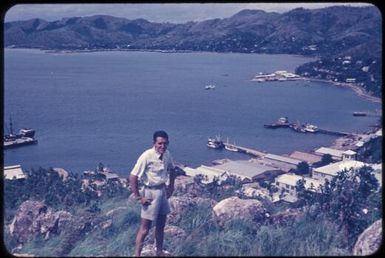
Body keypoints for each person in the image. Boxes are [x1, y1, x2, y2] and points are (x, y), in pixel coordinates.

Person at [129, 130, 175, 257]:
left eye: (165, 144)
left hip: (162, 192)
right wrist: (139, 197)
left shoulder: (167, 154)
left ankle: (159, 252)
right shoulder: (146, 156)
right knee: (145, 228)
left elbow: (172, 169)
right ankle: (137, 255)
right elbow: (133, 177)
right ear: (154, 143)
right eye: (160, 143)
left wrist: (171, 186)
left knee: (161, 225)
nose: (162, 146)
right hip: (150, 193)